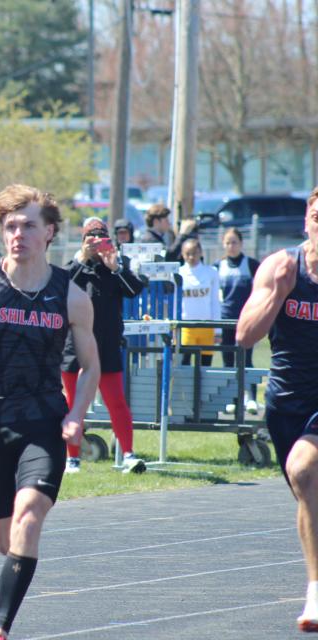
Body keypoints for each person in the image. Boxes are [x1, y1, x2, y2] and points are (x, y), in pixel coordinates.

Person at [0, 184, 99, 640]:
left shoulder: (70, 296)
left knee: (30, 513)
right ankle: (17, 571)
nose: (18, 234)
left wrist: (77, 414)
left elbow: (91, 366)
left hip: (44, 423)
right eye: (10, 226)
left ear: (49, 232)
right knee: (5, 539)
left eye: (28, 225)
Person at [236, 186, 318, 632]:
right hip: (286, 404)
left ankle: (315, 595)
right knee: (309, 494)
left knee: (306, 471)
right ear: (306, 220)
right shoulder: (281, 266)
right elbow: (244, 336)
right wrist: (277, 294)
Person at [62, 219, 147, 474]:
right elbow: (59, 287)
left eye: (102, 237)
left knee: (116, 402)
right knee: (72, 403)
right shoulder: (75, 267)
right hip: (75, 346)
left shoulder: (116, 268)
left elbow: (134, 290)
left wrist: (116, 267)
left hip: (107, 346)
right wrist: (82, 259)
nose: (98, 243)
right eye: (92, 237)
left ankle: (129, 455)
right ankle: (72, 458)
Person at [217, 228, 261, 414]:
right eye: (228, 242)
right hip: (225, 320)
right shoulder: (217, 266)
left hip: (246, 319)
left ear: (241, 244)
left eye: (234, 242)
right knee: (228, 360)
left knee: (246, 359)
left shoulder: (251, 265)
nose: (231, 246)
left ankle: (251, 397)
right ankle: (231, 399)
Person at [178, 238, 221, 367]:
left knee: (206, 365)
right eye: (187, 253)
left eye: (195, 253)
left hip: (206, 326)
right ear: (182, 254)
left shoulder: (211, 272)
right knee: (184, 363)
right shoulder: (178, 273)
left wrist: (218, 330)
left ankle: (203, 388)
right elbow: (175, 303)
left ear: (201, 252)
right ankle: (187, 388)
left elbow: (215, 302)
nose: (191, 257)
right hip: (186, 326)